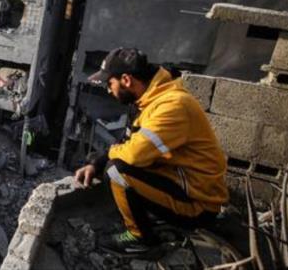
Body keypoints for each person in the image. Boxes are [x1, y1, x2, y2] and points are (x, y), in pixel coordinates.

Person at [74, 48, 228, 254]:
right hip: (183, 186)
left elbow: (134, 155)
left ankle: (140, 238)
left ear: (126, 80)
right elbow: (129, 142)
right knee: (111, 164)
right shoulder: (149, 102)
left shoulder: (172, 105)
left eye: (109, 83)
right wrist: (95, 163)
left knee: (117, 172)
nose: (109, 90)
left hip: (198, 205)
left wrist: (106, 159)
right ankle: (151, 221)